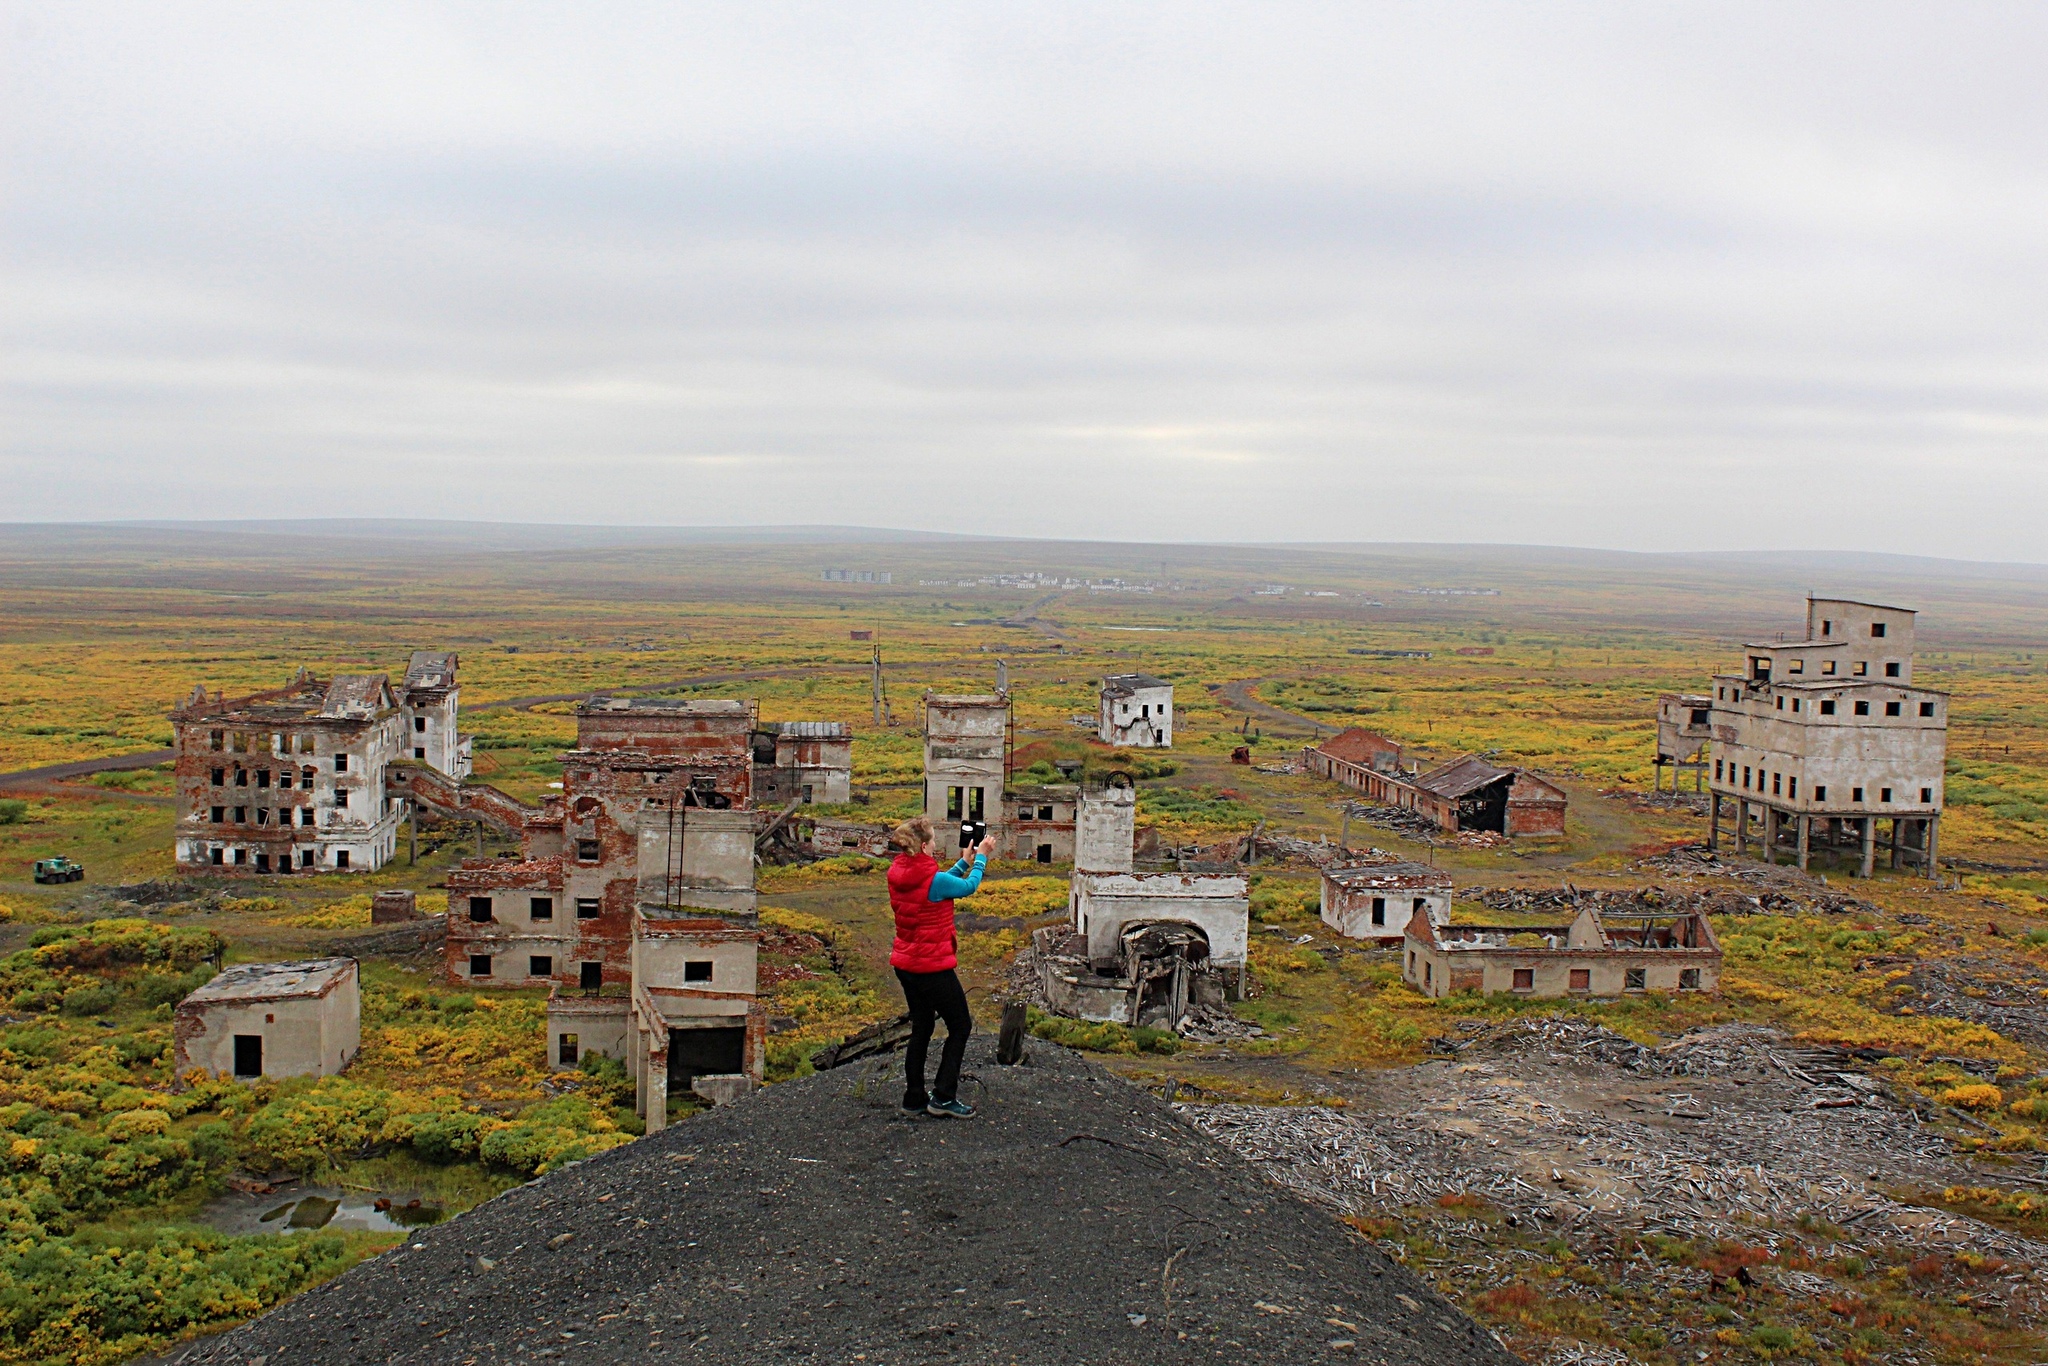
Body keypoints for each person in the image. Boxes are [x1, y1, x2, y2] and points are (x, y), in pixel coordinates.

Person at [885, 816, 993, 1118]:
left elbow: (937, 887)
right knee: (960, 1026)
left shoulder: (898, 872)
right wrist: (981, 857)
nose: (935, 845)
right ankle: (943, 1096)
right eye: (932, 841)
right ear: (923, 845)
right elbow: (968, 887)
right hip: (931, 965)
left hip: (905, 962)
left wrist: (962, 862)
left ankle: (914, 1097)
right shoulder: (933, 879)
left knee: (922, 1027)